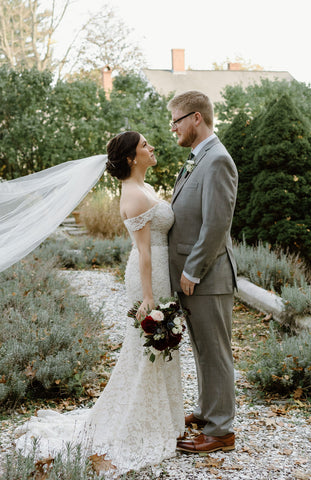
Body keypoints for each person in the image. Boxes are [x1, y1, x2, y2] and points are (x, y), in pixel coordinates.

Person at [15, 131, 184, 476]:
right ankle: (140, 423)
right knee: (144, 349)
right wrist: (149, 297)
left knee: (155, 349)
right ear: (130, 158)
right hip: (147, 278)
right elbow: (143, 250)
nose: (152, 148)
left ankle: (164, 418)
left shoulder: (146, 188)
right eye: (145, 146)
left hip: (161, 275)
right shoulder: (134, 196)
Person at [167, 91, 238, 453]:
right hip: (198, 278)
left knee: (215, 353)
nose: (173, 128)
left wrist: (192, 271)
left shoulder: (217, 161)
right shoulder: (199, 157)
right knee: (203, 351)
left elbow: (215, 225)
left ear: (196, 118)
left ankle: (222, 430)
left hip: (208, 277)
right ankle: (208, 411)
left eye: (176, 120)